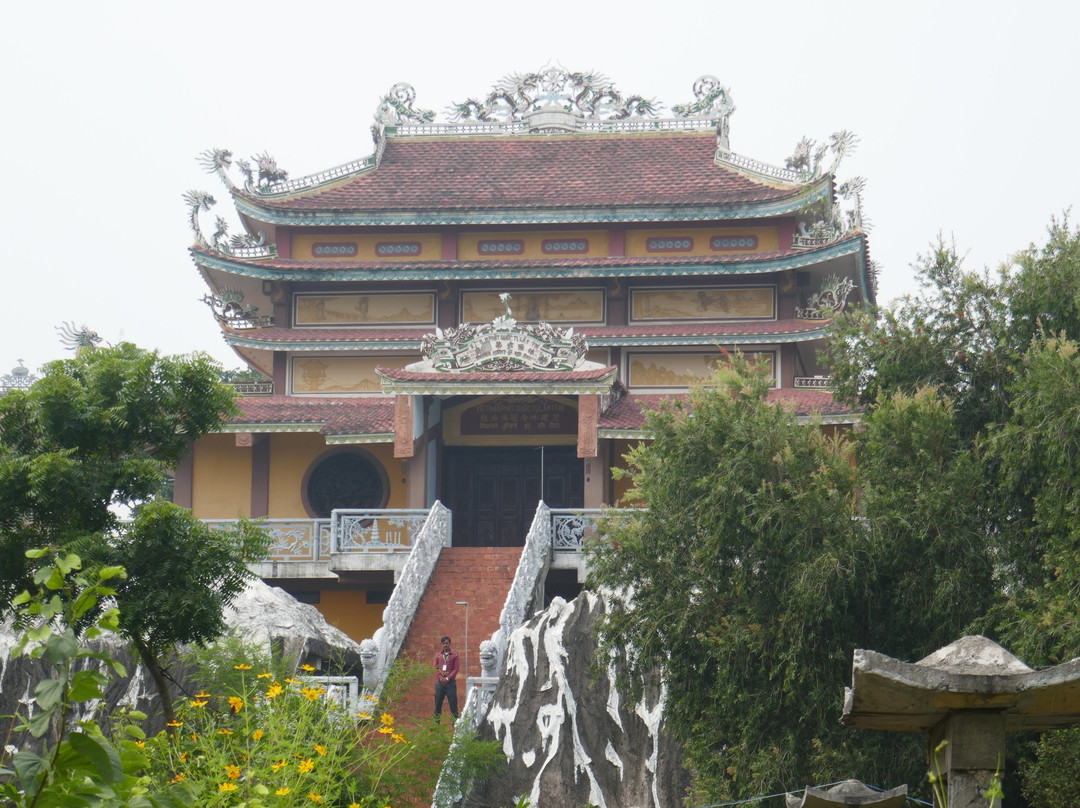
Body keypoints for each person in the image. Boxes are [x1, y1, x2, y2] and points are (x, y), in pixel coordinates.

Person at [433, 635, 460, 720]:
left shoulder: (454, 656)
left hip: (450, 683)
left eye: (447, 643)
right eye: (443, 643)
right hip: (440, 683)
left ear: (450, 644)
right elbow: (435, 668)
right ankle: (436, 725)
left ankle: (456, 725)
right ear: (441, 644)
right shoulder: (438, 656)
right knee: (437, 705)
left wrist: (448, 678)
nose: (445, 645)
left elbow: (456, 669)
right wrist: (441, 678)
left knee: (453, 705)